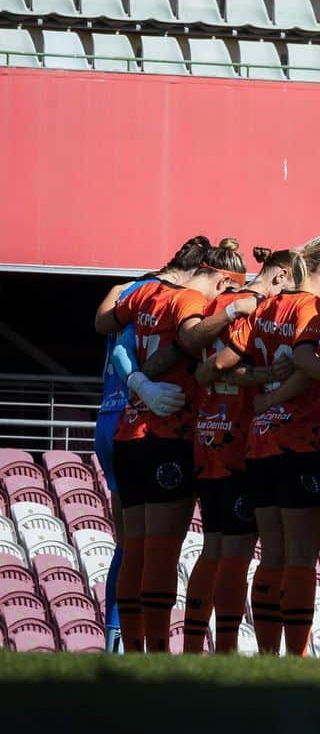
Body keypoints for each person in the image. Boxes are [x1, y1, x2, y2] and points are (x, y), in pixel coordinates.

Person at [94, 254, 254, 651]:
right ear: (219, 281)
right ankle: (160, 651)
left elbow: (113, 336)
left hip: (127, 429)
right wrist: (236, 309)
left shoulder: (145, 292)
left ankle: (132, 649)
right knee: (162, 551)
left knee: (134, 549)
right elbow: (190, 340)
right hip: (170, 433)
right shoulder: (192, 303)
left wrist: (137, 382)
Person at [204, 237, 320, 657]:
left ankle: (268, 656)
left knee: (271, 555)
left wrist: (265, 390)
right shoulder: (317, 309)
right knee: (302, 558)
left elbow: (230, 369)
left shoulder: (267, 306)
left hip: (260, 443)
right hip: (303, 442)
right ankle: (295, 657)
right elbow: (308, 366)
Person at [92, 235, 211, 651]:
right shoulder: (176, 298)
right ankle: (140, 642)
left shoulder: (127, 291)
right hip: (145, 416)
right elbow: (131, 351)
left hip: (113, 416)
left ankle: (117, 640)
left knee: (129, 543)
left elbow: (104, 326)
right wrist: (143, 384)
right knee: (149, 543)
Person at [186, 244, 298, 653]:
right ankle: (228, 650)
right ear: (281, 275)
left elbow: (205, 366)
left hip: (208, 431)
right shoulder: (251, 308)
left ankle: (194, 648)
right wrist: (271, 374)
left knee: (214, 545)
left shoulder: (216, 303)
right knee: (234, 548)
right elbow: (220, 365)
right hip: (235, 437)